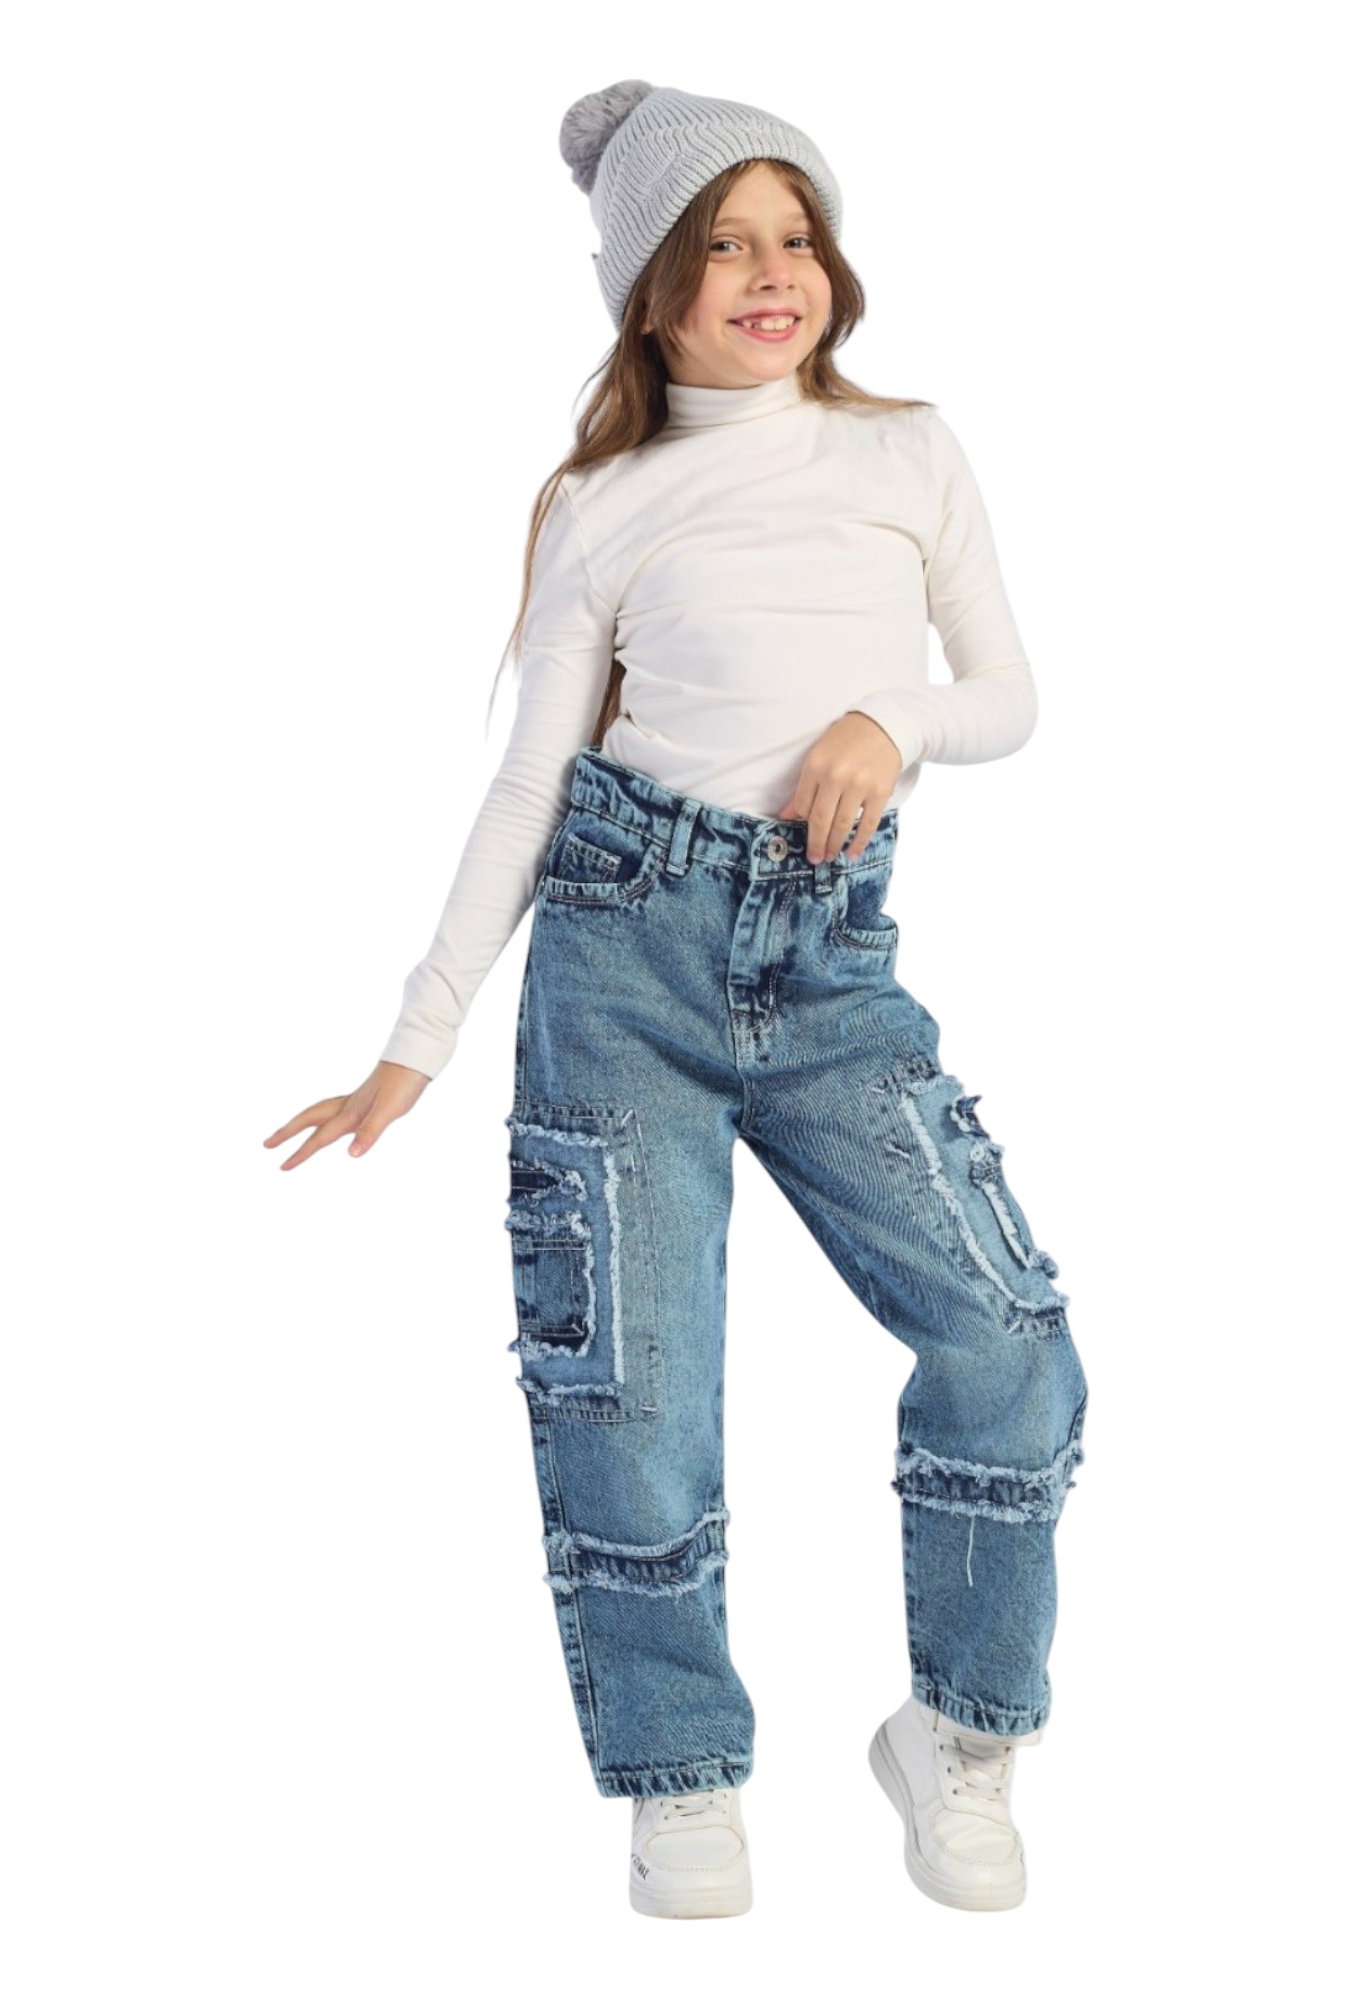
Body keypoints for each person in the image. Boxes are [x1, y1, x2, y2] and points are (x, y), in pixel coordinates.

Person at [265, 79, 1089, 1921]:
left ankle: (959, 1734)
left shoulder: (909, 454)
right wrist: (417, 1036)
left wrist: (893, 720)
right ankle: (681, 1772)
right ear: (650, 289)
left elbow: (1008, 695)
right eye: (723, 244)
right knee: (630, 1404)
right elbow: (529, 783)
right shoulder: (606, 502)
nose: (771, 273)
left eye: (796, 237)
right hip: (621, 960)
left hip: (832, 967)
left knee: (1010, 1347)